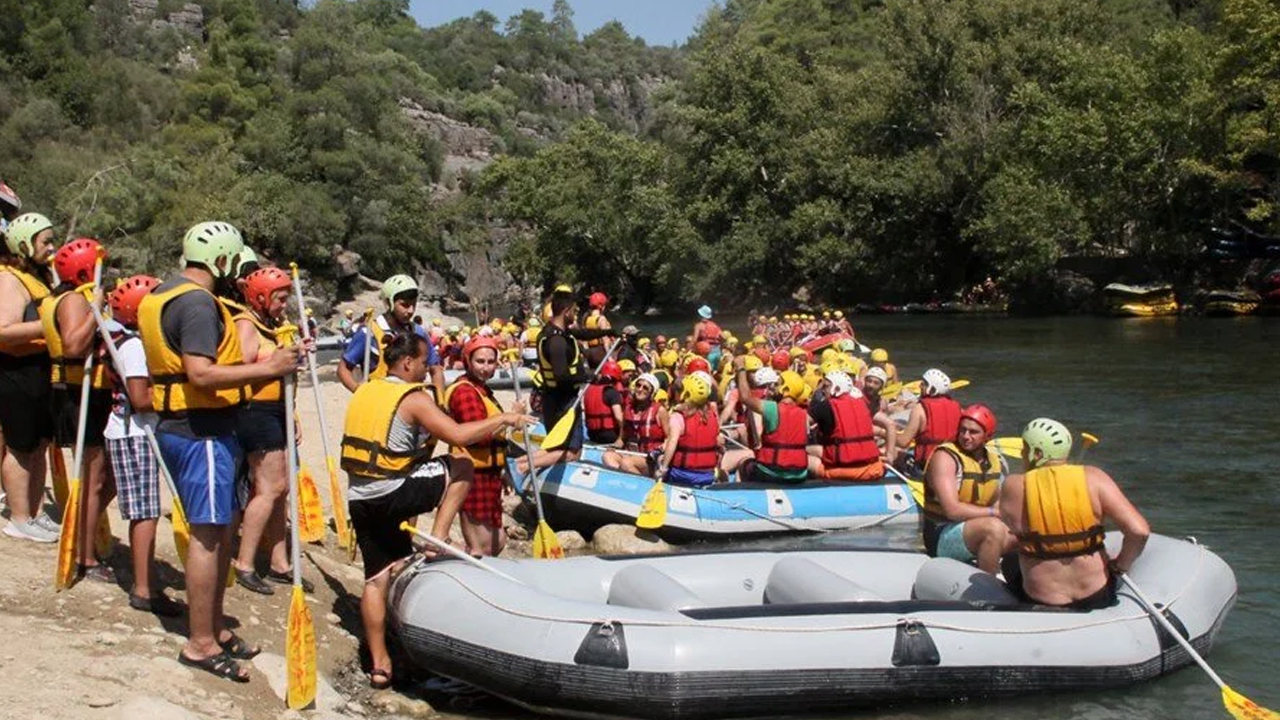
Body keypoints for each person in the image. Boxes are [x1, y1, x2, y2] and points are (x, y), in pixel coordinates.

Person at [139, 220, 301, 683]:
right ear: (222, 260)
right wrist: (270, 366)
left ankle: (213, 627)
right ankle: (200, 643)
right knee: (209, 537)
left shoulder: (164, 293)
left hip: (195, 427)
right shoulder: (196, 304)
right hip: (199, 432)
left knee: (220, 529)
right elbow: (201, 374)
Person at [340, 332, 530, 689]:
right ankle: (437, 538)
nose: (428, 369)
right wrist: (505, 419)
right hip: (392, 493)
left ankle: (380, 664)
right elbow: (458, 436)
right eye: (424, 363)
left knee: (375, 579)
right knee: (462, 464)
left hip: (360, 499)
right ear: (406, 362)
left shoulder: (365, 389)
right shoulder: (412, 398)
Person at [999, 418, 1150, 609]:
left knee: (1009, 561)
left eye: (1025, 449)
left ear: (1037, 454)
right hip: (1096, 593)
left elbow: (1012, 528)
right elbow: (1139, 531)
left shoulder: (1013, 486)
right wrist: (1120, 566)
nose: (1022, 454)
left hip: (1043, 597)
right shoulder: (1094, 477)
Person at [103, 274, 182, 615]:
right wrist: (179, 395)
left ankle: (144, 581)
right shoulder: (134, 347)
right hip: (133, 432)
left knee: (145, 509)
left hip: (137, 431)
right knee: (145, 512)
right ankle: (143, 589)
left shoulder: (135, 340)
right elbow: (139, 398)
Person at [230, 267, 311, 595]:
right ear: (261, 297)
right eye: (279, 299)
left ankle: (279, 563)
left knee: (282, 488)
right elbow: (238, 371)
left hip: (278, 410)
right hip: (256, 413)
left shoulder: (276, 324)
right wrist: (275, 361)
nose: (284, 305)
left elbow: (283, 368)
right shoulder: (246, 325)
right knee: (270, 487)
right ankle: (245, 563)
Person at [41, 237, 117, 580]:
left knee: (105, 479)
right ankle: (85, 557)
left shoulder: (70, 297)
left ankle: (86, 534)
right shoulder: (72, 299)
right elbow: (73, 345)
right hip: (77, 393)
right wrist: (96, 306)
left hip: (91, 392)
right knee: (94, 478)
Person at [0, 213, 58, 541]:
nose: (51, 247)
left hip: (41, 370)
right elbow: (3, 331)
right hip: (17, 372)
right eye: (45, 241)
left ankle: (34, 513)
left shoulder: (37, 277)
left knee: (39, 446)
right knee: (21, 447)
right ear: (24, 245)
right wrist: (50, 325)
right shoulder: (9, 280)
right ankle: (19, 518)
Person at [518, 289, 619, 472]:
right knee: (573, 452)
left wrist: (608, 332)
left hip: (552, 398)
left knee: (556, 448)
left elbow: (582, 334)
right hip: (562, 402)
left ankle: (519, 463)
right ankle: (523, 468)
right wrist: (590, 376)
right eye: (574, 311)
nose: (576, 315)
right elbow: (561, 375)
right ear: (566, 311)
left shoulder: (550, 332)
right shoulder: (557, 341)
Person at [442, 336, 517, 557]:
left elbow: (493, 435)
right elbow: (476, 437)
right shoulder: (465, 392)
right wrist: (508, 418)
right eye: (480, 361)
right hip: (472, 474)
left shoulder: (482, 390)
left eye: (491, 362)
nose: (486, 367)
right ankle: (444, 552)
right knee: (485, 546)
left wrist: (503, 470)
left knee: (496, 541)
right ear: (468, 361)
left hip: (489, 472)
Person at [921, 404, 1012, 573]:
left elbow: (999, 504)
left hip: (975, 527)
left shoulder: (995, 461)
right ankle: (987, 584)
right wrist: (994, 513)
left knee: (1026, 532)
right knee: (992, 528)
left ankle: (1019, 579)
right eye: (962, 430)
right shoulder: (945, 458)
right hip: (941, 533)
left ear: (988, 436)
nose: (965, 436)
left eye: (973, 432)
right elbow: (952, 510)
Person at [336, 274, 444, 398]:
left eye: (413, 304)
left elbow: (436, 369)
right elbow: (343, 369)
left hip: (412, 402)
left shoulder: (418, 332)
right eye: (404, 305)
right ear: (389, 303)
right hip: (380, 402)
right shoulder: (369, 333)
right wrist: (361, 394)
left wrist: (440, 400)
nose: (410, 310)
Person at [726, 360, 818, 482]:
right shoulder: (803, 414)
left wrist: (741, 370)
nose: (773, 387)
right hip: (799, 473)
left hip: (771, 472)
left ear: (786, 390)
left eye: (778, 384)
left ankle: (740, 491)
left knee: (744, 464)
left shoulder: (772, 408)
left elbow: (745, 397)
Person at [809, 371, 890, 481]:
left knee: (802, 456)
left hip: (845, 469)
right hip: (873, 468)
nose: (822, 390)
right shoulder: (862, 404)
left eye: (826, 386)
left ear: (836, 388)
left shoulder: (825, 406)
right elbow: (888, 424)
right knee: (812, 449)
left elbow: (801, 423)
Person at [654, 372, 721, 487]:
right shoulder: (712, 415)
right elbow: (720, 444)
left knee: (659, 458)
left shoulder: (678, 416)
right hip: (707, 475)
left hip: (682, 475)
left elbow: (672, 443)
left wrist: (662, 469)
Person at [603, 373, 667, 475]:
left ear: (652, 393)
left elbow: (670, 439)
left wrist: (658, 451)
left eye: (645, 388)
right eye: (638, 385)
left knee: (627, 463)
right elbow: (621, 438)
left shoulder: (660, 411)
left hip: (649, 459)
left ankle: (640, 480)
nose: (640, 389)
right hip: (630, 453)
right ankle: (623, 477)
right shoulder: (628, 409)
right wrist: (614, 447)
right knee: (608, 456)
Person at [900, 369, 960, 472]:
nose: (920, 386)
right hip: (953, 462)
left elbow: (903, 442)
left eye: (923, 384)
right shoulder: (957, 407)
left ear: (932, 389)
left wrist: (884, 431)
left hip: (926, 466)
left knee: (896, 453)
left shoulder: (919, 409)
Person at [582, 360, 624, 445]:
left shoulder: (588, 390)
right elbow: (619, 418)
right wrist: (621, 437)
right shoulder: (611, 392)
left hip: (592, 434)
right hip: (610, 435)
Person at [582, 291, 612, 366]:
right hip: (600, 352)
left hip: (589, 353)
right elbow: (605, 340)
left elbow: (584, 341)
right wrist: (609, 357)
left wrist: (586, 356)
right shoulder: (601, 319)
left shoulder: (586, 319)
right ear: (601, 306)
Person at [693, 305, 723, 370]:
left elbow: (694, 340)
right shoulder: (714, 325)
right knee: (716, 371)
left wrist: (690, 350)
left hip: (707, 352)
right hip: (718, 352)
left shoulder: (699, 325)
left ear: (701, 315)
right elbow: (722, 336)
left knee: (708, 371)